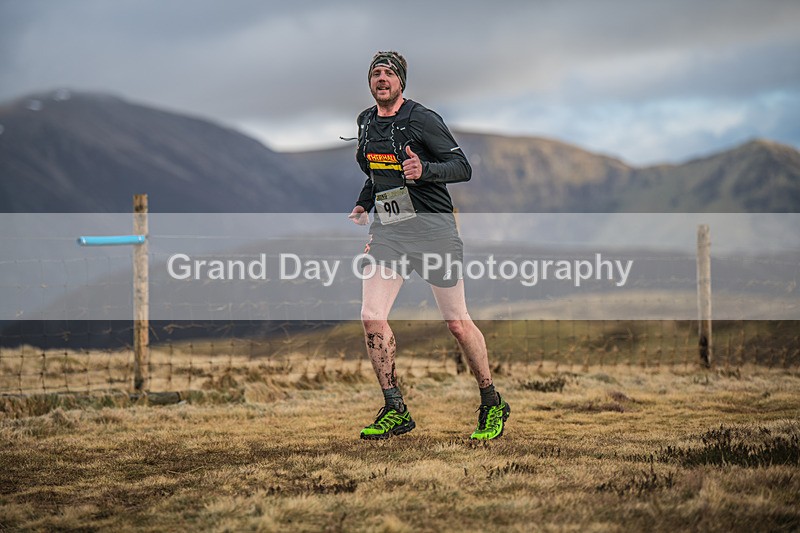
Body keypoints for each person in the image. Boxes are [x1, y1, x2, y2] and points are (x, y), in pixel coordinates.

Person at [348, 51, 510, 440]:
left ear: (401, 81)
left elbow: (462, 167)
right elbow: (377, 171)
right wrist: (364, 202)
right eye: (376, 74)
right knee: (372, 316)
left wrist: (425, 170)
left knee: (456, 322)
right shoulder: (366, 122)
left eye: (389, 73)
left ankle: (492, 402)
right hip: (391, 230)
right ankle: (395, 407)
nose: (381, 79)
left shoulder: (422, 119)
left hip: (434, 231)